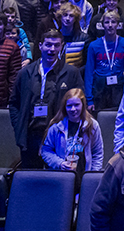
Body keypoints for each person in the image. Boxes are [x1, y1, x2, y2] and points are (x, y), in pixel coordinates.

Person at [10, 30, 83, 168]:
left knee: (56, 178)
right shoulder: (25, 72)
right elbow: (14, 103)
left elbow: (80, 102)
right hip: (30, 134)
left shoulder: (71, 73)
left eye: (56, 45)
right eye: (48, 45)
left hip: (59, 135)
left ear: (62, 46)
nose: (52, 49)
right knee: (31, 179)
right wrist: (19, 125)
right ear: (40, 46)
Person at [41, 88, 104, 171]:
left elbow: (97, 153)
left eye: (76, 105)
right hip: (62, 175)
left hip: (84, 174)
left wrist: (91, 175)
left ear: (83, 105)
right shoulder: (56, 127)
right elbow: (46, 151)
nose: (73, 109)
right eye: (69, 106)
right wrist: (60, 163)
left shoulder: (92, 125)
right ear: (65, 107)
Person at [85, 9, 124, 111]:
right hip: (99, 89)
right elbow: (89, 73)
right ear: (102, 25)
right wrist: (89, 99)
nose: (110, 25)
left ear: (118, 24)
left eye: (113, 22)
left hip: (118, 88)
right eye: (107, 22)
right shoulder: (94, 45)